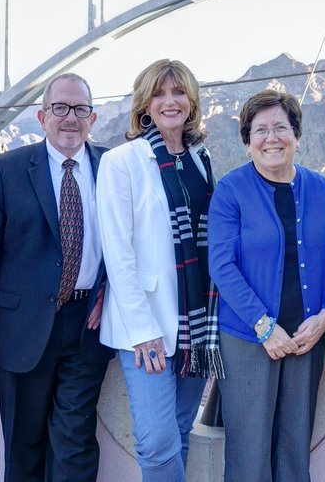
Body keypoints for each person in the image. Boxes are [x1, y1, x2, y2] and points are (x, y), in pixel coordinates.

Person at [0, 73, 115, 481]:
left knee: (76, 443)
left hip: (88, 326)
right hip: (21, 329)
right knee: (24, 447)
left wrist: (110, 292)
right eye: (60, 108)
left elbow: (128, 245)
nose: (71, 118)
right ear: (41, 116)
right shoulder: (6, 170)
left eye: (80, 109)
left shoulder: (113, 168)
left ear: (93, 118)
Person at [97, 59, 223, 481]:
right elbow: (118, 252)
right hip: (145, 325)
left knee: (179, 433)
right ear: (144, 105)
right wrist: (141, 328)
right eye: (159, 94)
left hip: (196, 324)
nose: (170, 101)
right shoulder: (121, 161)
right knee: (155, 440)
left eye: (179, 92)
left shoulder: (200, 159)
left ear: (191, 101)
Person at [208, 89, 325, 482]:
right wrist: (263, 326)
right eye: (260, 130)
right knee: (249, 456)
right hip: (249, 340)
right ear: (247, 141)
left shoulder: (321, 190)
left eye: (281, 127)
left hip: (306, 339)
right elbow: (222, 265)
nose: (271, 138)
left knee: (294, 451)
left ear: (296, 135)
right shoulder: (231, 191)